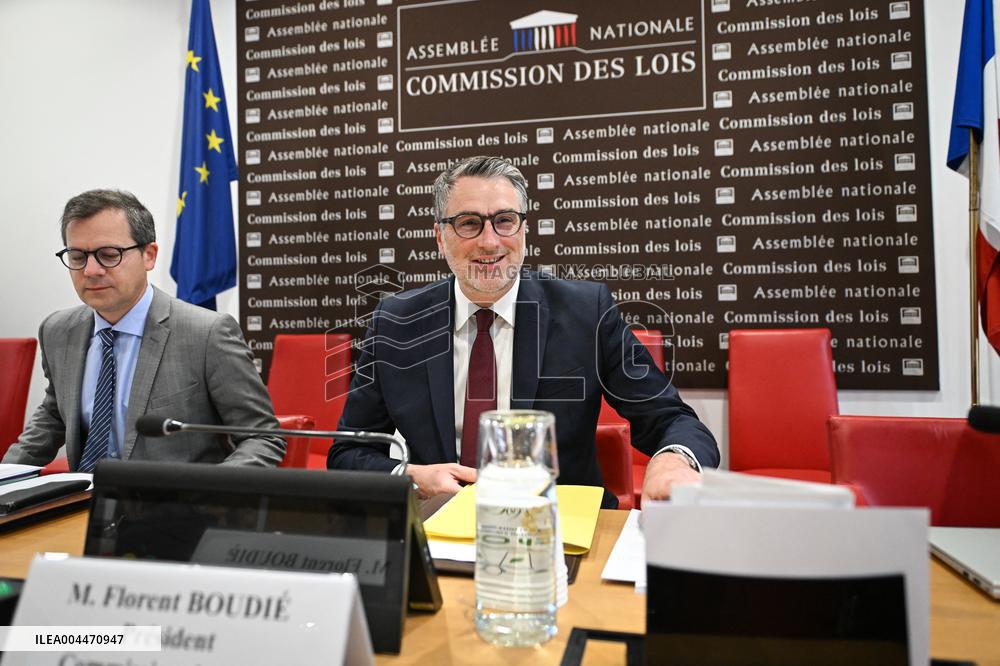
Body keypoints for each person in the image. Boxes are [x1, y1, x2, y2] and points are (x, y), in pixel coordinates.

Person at [328, 156, 718, 506]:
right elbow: (348, 453)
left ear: (524, 229)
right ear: (439, 238)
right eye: (468, 223)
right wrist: (410, 478)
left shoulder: (587, 312)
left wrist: (674, 461)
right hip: (437, 525)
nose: (490, 241)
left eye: (504, 220)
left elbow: (672, 420)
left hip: (559, 529)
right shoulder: (395, 321)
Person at [3, 189, 284, 470]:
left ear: (149, 255)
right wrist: (6, 479)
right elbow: (54, 416)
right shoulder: (58, 330)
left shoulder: (207, 334)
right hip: (86, 504)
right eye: (77, 257)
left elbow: (263, 437)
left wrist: (209, 493)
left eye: (108, 255)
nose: (90, 270)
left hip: (178, 506)